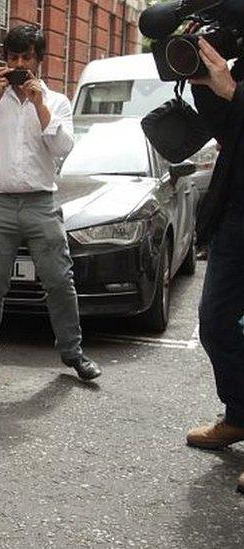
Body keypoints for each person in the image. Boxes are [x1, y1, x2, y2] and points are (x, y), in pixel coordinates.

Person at [0, 24, 100, 384]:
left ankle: (73, 352)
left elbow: (63, 148)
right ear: (6, 60)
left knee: (58, 279)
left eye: (26, 57)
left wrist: (39, 105)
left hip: (41, 201)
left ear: (39, 61)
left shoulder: (56, 102)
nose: (19, 64)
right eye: (14, 57)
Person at [184, 38, 244, 491]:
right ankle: (239, 414)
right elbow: (228, 131)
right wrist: (205, 85)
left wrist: (234, 93)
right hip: (235, 213)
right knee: (215, 322)